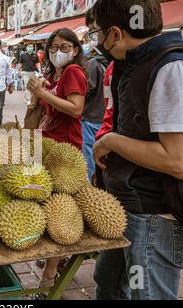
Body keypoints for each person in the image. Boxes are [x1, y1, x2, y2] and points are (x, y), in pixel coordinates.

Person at [91, 0, 183, 300]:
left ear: (114, 33)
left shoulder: (174, 69)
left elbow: (180, 161)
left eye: (97, 33)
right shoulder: (137, 63)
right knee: (109, 282)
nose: (98, 42)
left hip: (157, 216)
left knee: (147, 294)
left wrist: (110, 142)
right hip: (132, 207)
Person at [27, 28, 87, 293]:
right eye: (53, 47)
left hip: (66, 152)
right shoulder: (54, 75)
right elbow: (38, 115)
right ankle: (54, 260)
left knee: (61, 211)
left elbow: (76, 109)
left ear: (75, 49)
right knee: (51, 206)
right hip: (48, 147)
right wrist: (36, 95)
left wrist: (43, 94)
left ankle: (50, 275)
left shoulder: (74, 72)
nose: (57, 52)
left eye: (64, 47)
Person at [81, 8, 110, 182]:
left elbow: (84, 93)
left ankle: (90, 190)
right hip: (104, 119)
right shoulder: (111, 60)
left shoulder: (93, 63)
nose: (95, 36)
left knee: (90, 161)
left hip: (92, 119)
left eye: (95, 30)